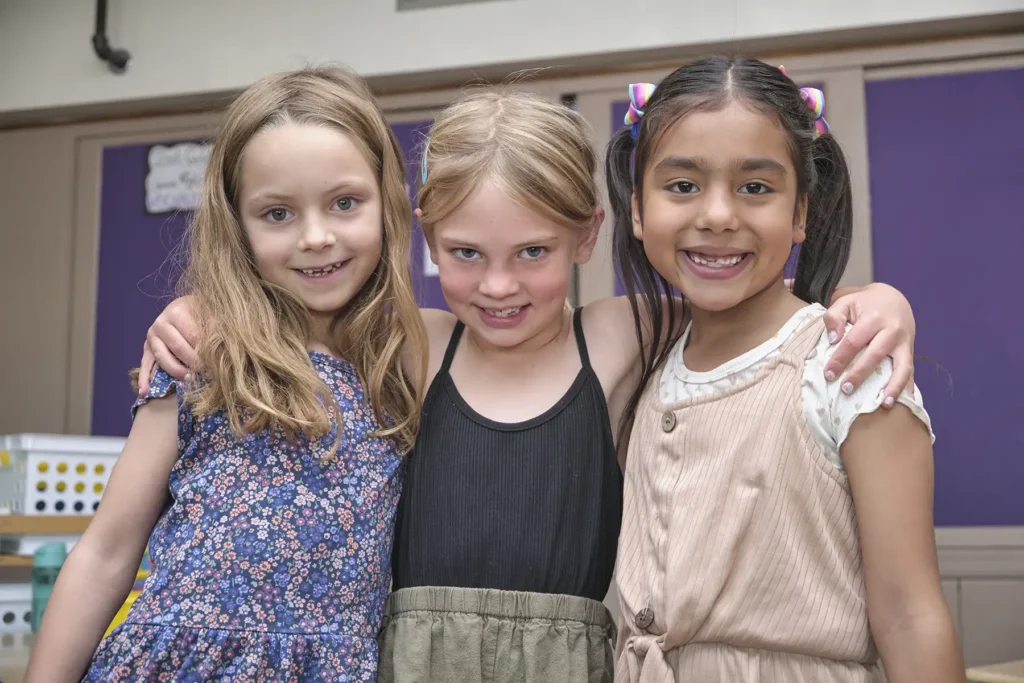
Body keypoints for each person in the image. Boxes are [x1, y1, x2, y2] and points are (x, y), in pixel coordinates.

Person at [137, 88, 921, 683]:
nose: (499, 285)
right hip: (413, 659)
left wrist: (872, 301)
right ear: (428, 234)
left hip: (567, 662)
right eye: (467, 253)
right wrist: (194, 307)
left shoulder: (620, 333)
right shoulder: (415, 342)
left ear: (587, 234)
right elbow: (284, 312)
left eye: (535, 253)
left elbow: (746, 298)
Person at [24, 65, 427, 683]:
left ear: (388, 200)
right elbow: (105, 553)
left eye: (345, 203)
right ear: (236, 223)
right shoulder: (202, 352)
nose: (316, 237)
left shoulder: (406, 358)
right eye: (277, 214)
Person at [606, 56, 964, 682]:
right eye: (682, 185)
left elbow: (910, 616)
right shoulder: (642, 359)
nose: (717, 215)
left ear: (800, 213)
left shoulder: (850, 366)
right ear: (637, 211)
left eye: (755, 187)